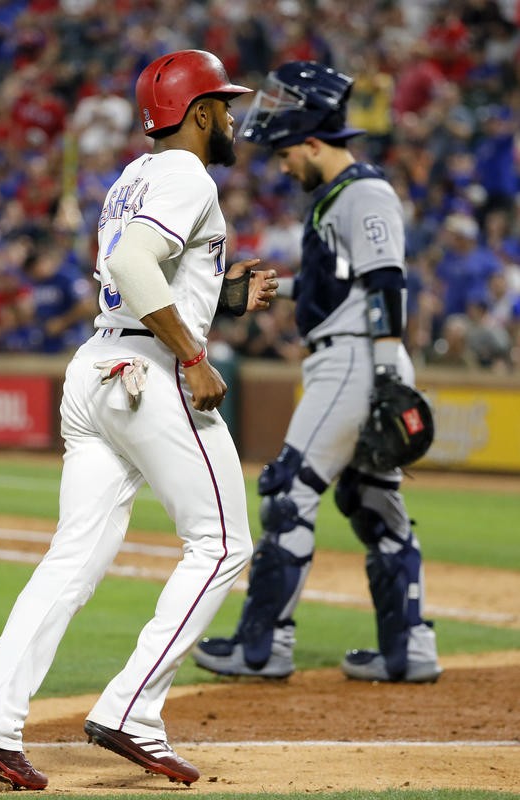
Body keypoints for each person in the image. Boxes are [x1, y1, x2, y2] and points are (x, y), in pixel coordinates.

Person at [0, 49, 278, 789]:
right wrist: (194, 353)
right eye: (221, 105)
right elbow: (131, 266)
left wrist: (219, 300)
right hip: (150, 375)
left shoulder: (134, 175)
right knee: (222, 543)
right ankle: (132, 709)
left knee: (73, 558)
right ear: (197, 115)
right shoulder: (187, 174)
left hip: (96, 367)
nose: (230, 117)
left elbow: (136, 271)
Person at [193, 61, 442, 685]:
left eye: (285, 153)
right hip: (356, 353)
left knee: (290, 493)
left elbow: (386, 281)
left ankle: (261, 647)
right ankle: (408, 649)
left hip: (357, 358)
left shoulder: (363, 191)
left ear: (311, 142)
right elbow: (343, 283)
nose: (281, 165)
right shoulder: (340, 196)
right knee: (373, 502)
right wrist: (272, 291)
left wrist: (385, 374)